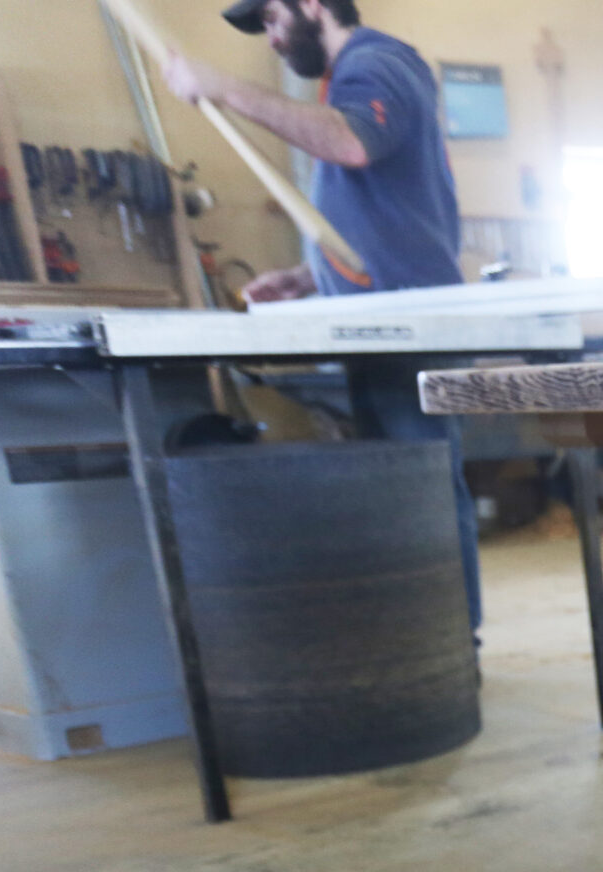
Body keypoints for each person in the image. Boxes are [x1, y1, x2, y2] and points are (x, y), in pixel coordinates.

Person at [163, 0, 481, 630]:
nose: (273, 40)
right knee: (405, 495)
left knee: (423, 496)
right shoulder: (354, 75)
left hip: (409, 329)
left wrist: (223, 87)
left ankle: (449, 646)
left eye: (273, 21)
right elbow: (391, 218)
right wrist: (313, 277)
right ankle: (425, 641)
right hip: (382, 323)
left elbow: (351, 143)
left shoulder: (377, 63)